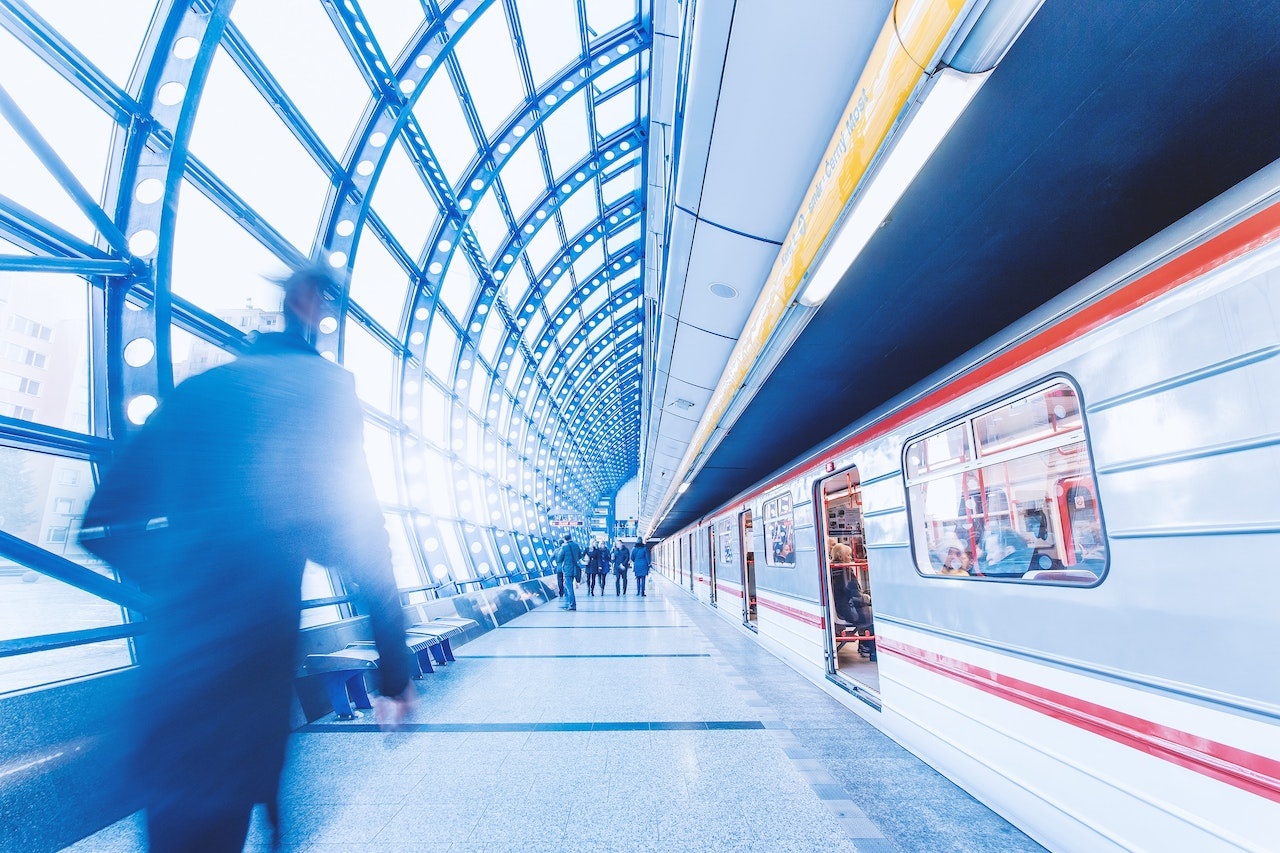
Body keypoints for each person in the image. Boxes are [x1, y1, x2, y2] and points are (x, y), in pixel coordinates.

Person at [79, 267, 414, 852]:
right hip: (245, 683)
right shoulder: (323, 391)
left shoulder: (200, 392)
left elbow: (103, 522)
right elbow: (363, 536)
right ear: (310, 307)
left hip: (169, 679)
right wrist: (393, 670)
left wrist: (188, 585)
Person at [556, 534, 582, 610]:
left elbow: (559, 558)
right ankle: (572, 603)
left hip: (567, 569)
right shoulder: (576, 545)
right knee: (569, 586)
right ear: (571, 538)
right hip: (575, 568)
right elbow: (580, 556)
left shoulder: (564, 546)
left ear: (564, 539)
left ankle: (572, 605)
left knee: (569, 588)